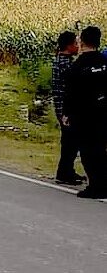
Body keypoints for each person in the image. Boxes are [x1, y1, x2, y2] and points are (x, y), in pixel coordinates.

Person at [63, 26, 107, 199]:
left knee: (88, 152)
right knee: (101, 149)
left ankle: (96, 186)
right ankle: (103, 183)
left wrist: (66, 113)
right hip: (102, 112)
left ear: (81, 41)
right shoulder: (104, 62)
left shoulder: (78, 66)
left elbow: (71, 93)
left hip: (85, 115)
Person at [52, 31, 85, 185]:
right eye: (76, 43)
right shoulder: (65, 63)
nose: (78, 46)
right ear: (69, 45)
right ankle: (64, 173)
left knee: (70, 141)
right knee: (70, 143)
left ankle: (67, 170)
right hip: (67, 109)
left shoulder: (62, 60)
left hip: (63, 108)